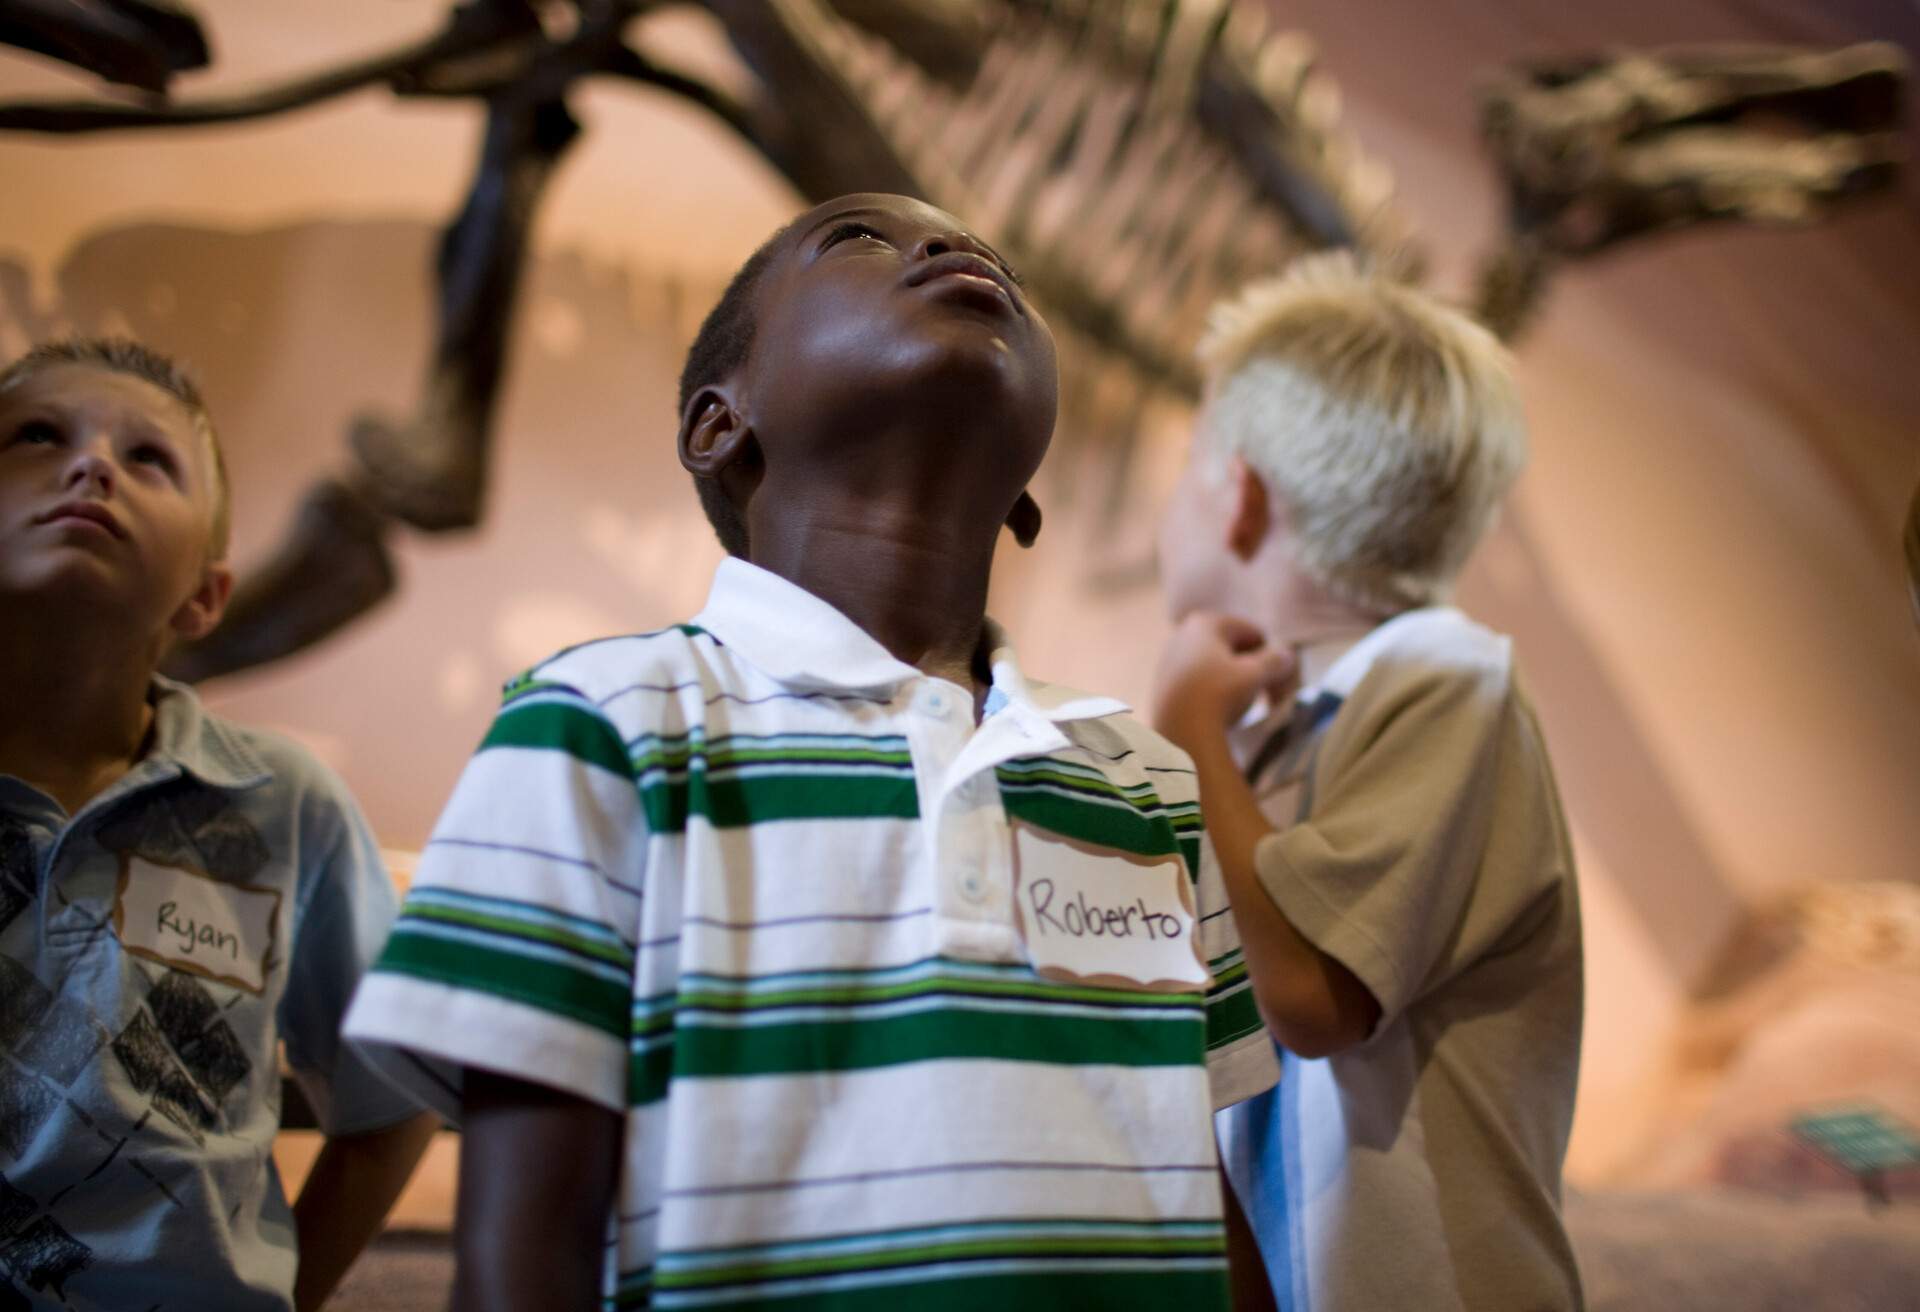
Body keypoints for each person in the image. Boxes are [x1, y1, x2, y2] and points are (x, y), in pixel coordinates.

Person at [343, 192, 1286, 1311]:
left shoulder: (1146, 779)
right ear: (717, 425)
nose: (955, 247)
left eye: (999, 268)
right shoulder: (595, 724)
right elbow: (519, 1256)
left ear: (1025, 495)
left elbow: (1201, 1189)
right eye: (858, 238)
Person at [1152, 253, 1586, 1311]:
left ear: (1240, 497)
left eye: (1188, 462)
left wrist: (1181, 734)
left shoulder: (1445, 678)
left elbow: (1309, 997)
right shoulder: (1267, 741)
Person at [0, 338, 438, 1311]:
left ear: (206, 593)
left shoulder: (284, 803)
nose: (92, 465)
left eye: (148, 458)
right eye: (36, 435)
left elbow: (396, 1099)